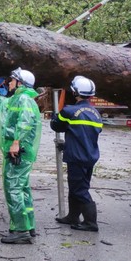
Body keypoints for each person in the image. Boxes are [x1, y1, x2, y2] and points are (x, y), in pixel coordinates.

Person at [0, 67, 42, 245]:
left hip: (18, 152)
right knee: (23, 188)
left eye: (12, 80)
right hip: (19, 151)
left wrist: (16, 142)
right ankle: (28, 225)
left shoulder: (24, 99)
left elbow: (25, 123)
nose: (9, 82)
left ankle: (21, 230)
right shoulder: (16, 99)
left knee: (13, 188)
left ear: (20, 83)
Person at [50, 75, 103, 231]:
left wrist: (55, 115)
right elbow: (84, 134)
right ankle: (73, 216)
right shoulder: (96, 113)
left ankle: (90, 222)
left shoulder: (69, 111)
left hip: (77, 157)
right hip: (90, 156)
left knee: (79, 189)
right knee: (78, 187)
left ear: (75, 92)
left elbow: (56, 126)